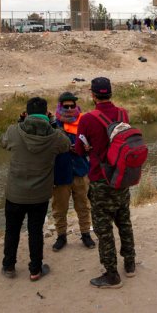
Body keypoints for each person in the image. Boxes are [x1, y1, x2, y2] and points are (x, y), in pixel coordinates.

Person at [74, 77, 136, 289]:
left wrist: (91, 149)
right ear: (110, 92)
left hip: (100, 180)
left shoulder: (87, 119)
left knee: (104, 229)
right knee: (124, 221)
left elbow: (80, 150)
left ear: (93, 94)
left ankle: (112, 276)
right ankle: (130, 265)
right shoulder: (123, 114)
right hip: (122, 177)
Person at [0, 96, 70, 281]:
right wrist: (53, 123)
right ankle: (35, 270)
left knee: (11, 230)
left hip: (15, 193)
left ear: (26, 113)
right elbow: (66, 145)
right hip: (39, 195)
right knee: (35, 231)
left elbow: (3, 142)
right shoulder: (54, 136)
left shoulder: (14, 131)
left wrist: (20, 122)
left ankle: (8, 266)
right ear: (47, 113)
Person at [50, 92, 97, 252]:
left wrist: (85, 149)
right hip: (61, 173)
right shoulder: (53, 125)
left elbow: (92, 145)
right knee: (59, 208)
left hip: (81, 170)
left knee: (83, 206)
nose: (70, 109)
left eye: (72, 106)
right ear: (60, 106)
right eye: (66, 106)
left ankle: (85, 234)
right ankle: (61, 236)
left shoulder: (83, 122)